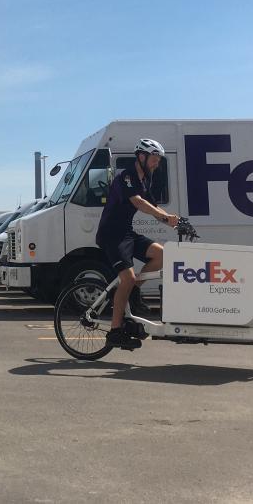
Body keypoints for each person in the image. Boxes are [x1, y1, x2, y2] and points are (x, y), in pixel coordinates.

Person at [95, 138, 179, 349]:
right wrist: (164, 217)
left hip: (127, 233)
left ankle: (132, 291)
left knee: (161, 255)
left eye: (158, 160)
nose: (156, 164)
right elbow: (139, 203)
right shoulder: (126, 176)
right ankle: (115, 331)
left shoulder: (145, 180)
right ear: (141, 157)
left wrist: (174, 222)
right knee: (127, 278)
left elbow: (153, 205)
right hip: (111, 234)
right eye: (153, 159)